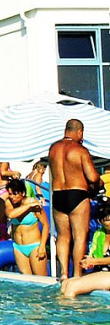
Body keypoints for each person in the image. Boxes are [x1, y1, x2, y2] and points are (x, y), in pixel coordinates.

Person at [49, 119, 100, 278]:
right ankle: (77, 275)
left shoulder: (53, 149)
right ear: (80, 132)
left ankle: (64, 273)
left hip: (58, 194)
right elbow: (92, 177)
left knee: (63, 236)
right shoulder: (80, 150)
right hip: (77, 194)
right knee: (79, 237)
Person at [4, 178, 49, 276]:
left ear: (23, 193)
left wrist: (42, 246)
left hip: (34, 246)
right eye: (10, 194)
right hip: (18, 247)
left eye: (15, 194)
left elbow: (45, 225)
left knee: (40, 278)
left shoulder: (34, 204)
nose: (12, 197)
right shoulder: (10, 203)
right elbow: (11, 214)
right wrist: (29, 206)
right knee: (26, 280)